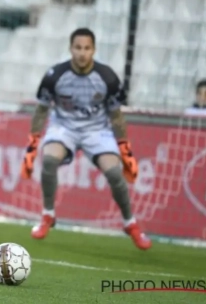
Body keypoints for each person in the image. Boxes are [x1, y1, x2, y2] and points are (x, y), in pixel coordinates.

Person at [20, 28, 152, 250]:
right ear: (70, 49)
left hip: (97, 130)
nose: (82, 53)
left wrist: (125, 150)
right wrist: (32, 147)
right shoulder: (55, 76)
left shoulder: (107, 77)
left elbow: (116, 116)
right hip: (64, 127)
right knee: (49, 160)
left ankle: (130, 223)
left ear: (94, 50)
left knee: (114, 173)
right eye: (78, 48)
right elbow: (41, 111)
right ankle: (48, 215)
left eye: (87, 48)